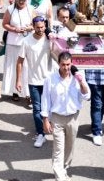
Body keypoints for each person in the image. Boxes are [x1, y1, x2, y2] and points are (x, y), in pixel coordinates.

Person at [41, 51, 90, 181]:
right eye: (63, 64)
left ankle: (64, 168)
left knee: (70, 146)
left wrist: (81, 82)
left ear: (71, 63)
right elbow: (45, 100)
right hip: (57, 118)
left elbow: (87, 95)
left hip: (73, 118)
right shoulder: (50, 79)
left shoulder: (78, 77)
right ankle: (59, 175)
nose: (66, 67)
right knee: (58, 148)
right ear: (58, 64)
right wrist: (45, 120)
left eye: (68, 64)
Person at [16, 16, 54, 148]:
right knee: (37, 108)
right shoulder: (26, 41)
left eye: (42, 27)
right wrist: (18, 80)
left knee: (50, 107)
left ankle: (51, 127)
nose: (40, 29)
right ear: (33, 26)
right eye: (37, 27)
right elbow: (20, 61)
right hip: (33, 80)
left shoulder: (50, 40)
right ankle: (40, 134)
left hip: (49, 80)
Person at [2, 0, 34, 100]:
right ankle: (15, 91)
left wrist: (29, 28)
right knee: (13, 66)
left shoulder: (31, 9)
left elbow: (36, 24)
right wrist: (14, 29)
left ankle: (28, 93)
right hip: (13, 42)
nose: (21, 2)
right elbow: (4, 24)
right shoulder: (10, 9)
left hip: (27, 42)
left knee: (26, 67)